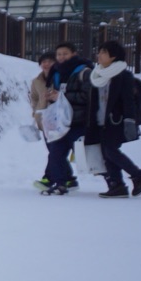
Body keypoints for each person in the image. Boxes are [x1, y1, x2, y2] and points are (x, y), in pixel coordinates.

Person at [85, 39, 141, 198]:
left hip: (117, 121)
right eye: (99, 52)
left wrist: (129, 121)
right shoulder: (97, 74)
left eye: (103, 52)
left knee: (110, 150)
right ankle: (116, 185)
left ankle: (138, 175)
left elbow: (128, 100)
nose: (99, 55)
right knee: (105, 152)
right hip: (100, 121)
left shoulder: (123, 76)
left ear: (113, 56)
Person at [45, 42, 90, 192]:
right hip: (61, 121)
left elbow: (87, 96)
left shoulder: (84, 71)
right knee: (55, 153)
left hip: (78, 121)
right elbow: (57, 94)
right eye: (59, 54)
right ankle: (60, 184)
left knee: (85, 157)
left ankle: (113, 181)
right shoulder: (56, 72)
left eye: (65, 54)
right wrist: (51, 96)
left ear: (74, 54)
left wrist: (62, 96)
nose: (61, 57)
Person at [29, 52, 74, 195]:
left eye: (49, 61)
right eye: (43, 62)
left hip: (59, 120)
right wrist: (36, 111)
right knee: (54, 152)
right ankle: (69, 178)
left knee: (55, 152)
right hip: (44, 120)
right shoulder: (36, 81)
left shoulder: (60, 77)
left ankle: (50, 178)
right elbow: (34, 98)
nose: (46, 64)